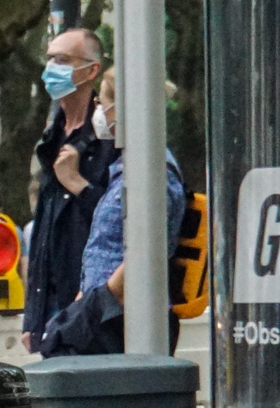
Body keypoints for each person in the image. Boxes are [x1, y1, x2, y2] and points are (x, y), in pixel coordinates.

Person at [39, 73, 187, 357]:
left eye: (101, 102)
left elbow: (145, 251)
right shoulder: (127, 168)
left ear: (123, 108)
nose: (97, 111)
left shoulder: (153, 171)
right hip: (107, 311)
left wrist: (103, 300)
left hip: (120, 318)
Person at [21, 27, 117, 352]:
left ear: (91, 70)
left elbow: (118, 221)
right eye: (49, 59)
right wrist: (32, 319)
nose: (52, 69)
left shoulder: (109, 134)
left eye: (62, 60)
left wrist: (78, 184)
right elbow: (43, 231)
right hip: (52, 306)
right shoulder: (52, 132)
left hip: (89, 303)